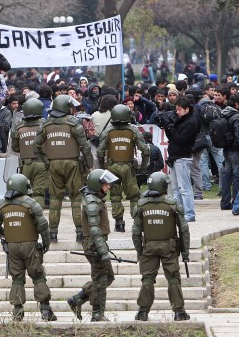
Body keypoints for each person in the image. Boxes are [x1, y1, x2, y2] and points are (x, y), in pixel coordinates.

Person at [0, 173, 56, 322]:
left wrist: (5, 234)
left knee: (17, 279)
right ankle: (45, 310)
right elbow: (43, 226)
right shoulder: (31, 204)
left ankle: (18, 312)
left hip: (12, 246)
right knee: (38, 276)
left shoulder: (2, 205)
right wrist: (46, 243)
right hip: (30, 245)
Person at [132, 172, 191, 322]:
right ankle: (179, 312)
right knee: (173, 279)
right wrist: (185, 252)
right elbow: (183, 229)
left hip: (149, 247)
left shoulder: (141, 205)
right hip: (169, 247)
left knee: (147, 279)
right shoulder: (172, 204)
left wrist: (140, 251)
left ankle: (142, 312)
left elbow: (136, 232)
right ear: (164, 186)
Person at [34, 94, 93, 242]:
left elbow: (36, 146)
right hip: (72, 164)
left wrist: (46, 161)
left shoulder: (46, 125)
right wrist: (89, 164)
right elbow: (85, 147)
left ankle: (53, 232)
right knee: (76, 197)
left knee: (55, 198)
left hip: (53, 164)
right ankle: (80, 232)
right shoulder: (74, 124)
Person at [67, 169, 119, 322]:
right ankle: (97, 314)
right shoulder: (92, 202)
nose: (108, 187)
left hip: (98, 244)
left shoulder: (96, 199)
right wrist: (103, 251)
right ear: (98, 185)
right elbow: (95, 230)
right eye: (106, 184)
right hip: (94, 246)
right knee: (101, 280)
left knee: (108, 277)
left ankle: (78, 299)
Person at [97, 104, 149, 232]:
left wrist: (104, 167)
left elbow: (100, 152)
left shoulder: (108, 131)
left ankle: (119, 223)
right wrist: (143, 167)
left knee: (115, 196)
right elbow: (146, 150)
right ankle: (137, 223)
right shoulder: (133, 130)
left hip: (112, 166)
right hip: (128, 166)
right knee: (134, 195)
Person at [165, 96, 200, 222]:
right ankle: (178, 212)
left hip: (183, 157)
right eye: (176, 110)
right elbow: (173, 138)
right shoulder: (182, 120)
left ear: (187, 109)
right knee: (175, 189)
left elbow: (180, 140)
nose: (177, 112)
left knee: (184, 188)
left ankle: (189, 214)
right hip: (175, 156)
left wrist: (171, 127)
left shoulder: (191, 122)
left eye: (180, 110)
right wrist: (168, 127)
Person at [10, 98, 47, 208]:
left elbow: (15, 148)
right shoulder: (45, 125)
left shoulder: (18, 127)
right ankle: (38, 218)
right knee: (38, 192)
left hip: (26, 164)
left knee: (24, 192)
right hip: (42, 163)